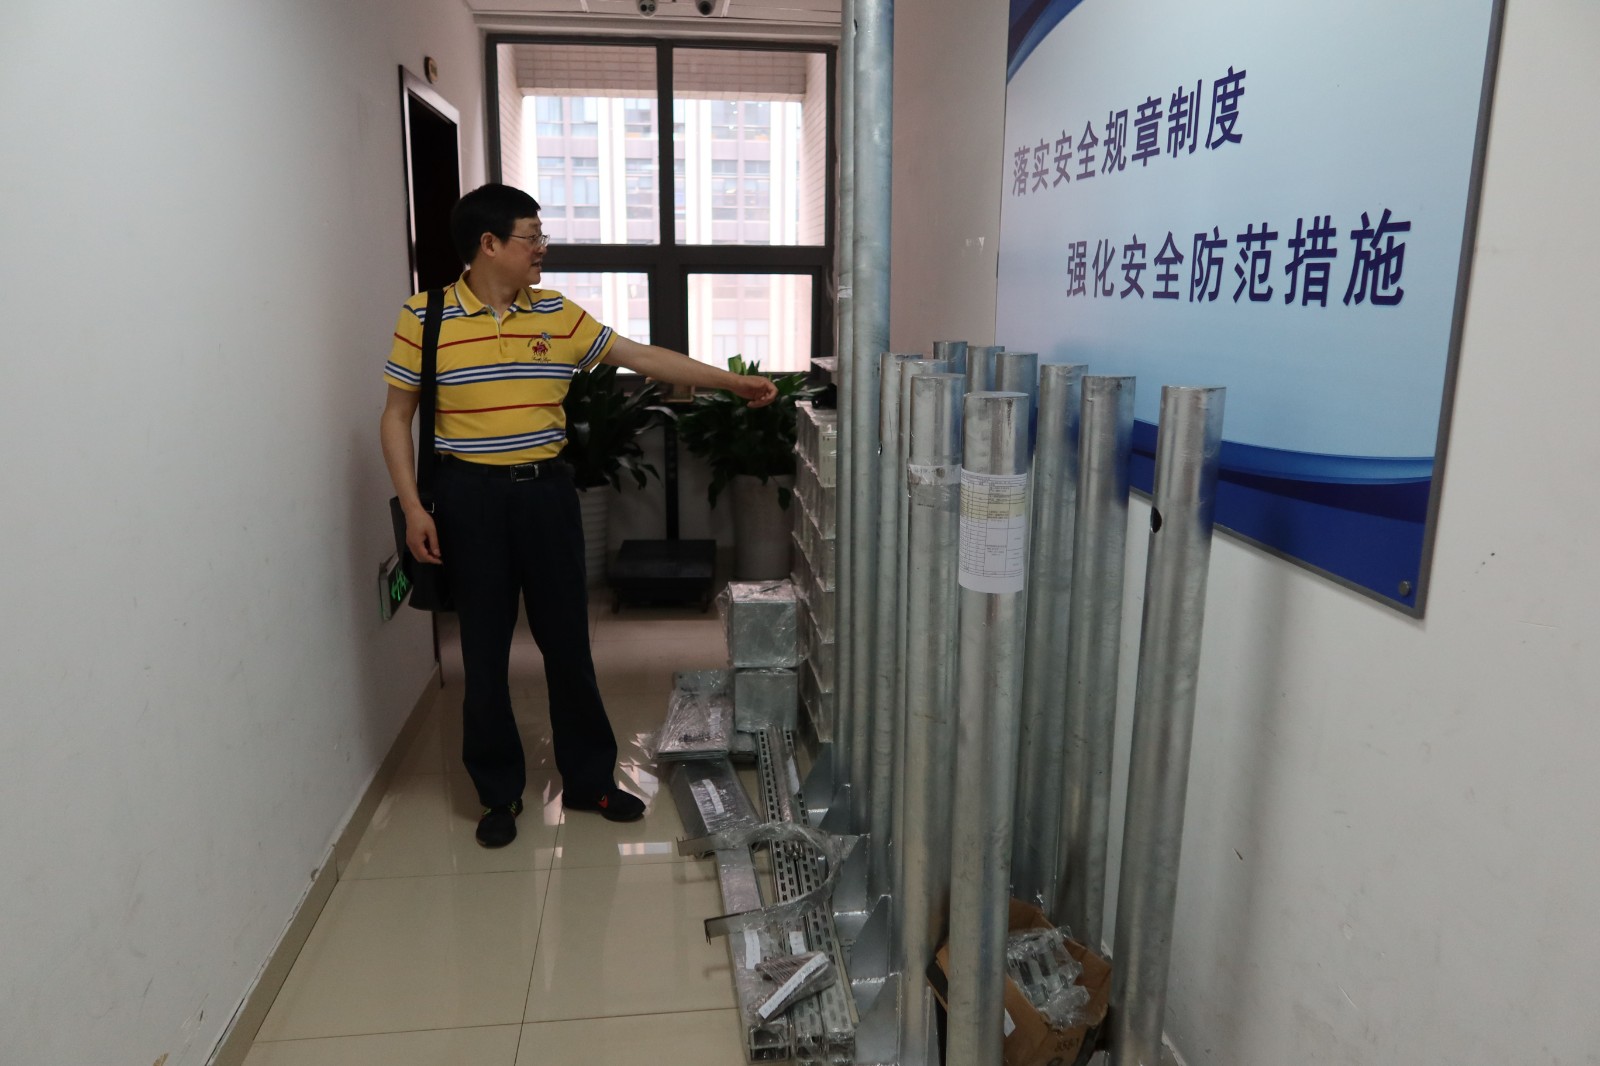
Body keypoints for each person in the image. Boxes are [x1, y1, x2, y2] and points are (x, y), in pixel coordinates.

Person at [379, 183, 777, 848]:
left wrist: (731, 381)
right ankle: (498, 793)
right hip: (470, 500)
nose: (542, 248)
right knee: (483, 652)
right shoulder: (426, 318)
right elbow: (396, 417)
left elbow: (639, 355)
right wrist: (417, 508)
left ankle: (590, 780)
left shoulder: (556, 314)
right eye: (531, 237)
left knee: (568, 645)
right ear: (489, 244)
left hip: (547, 496)